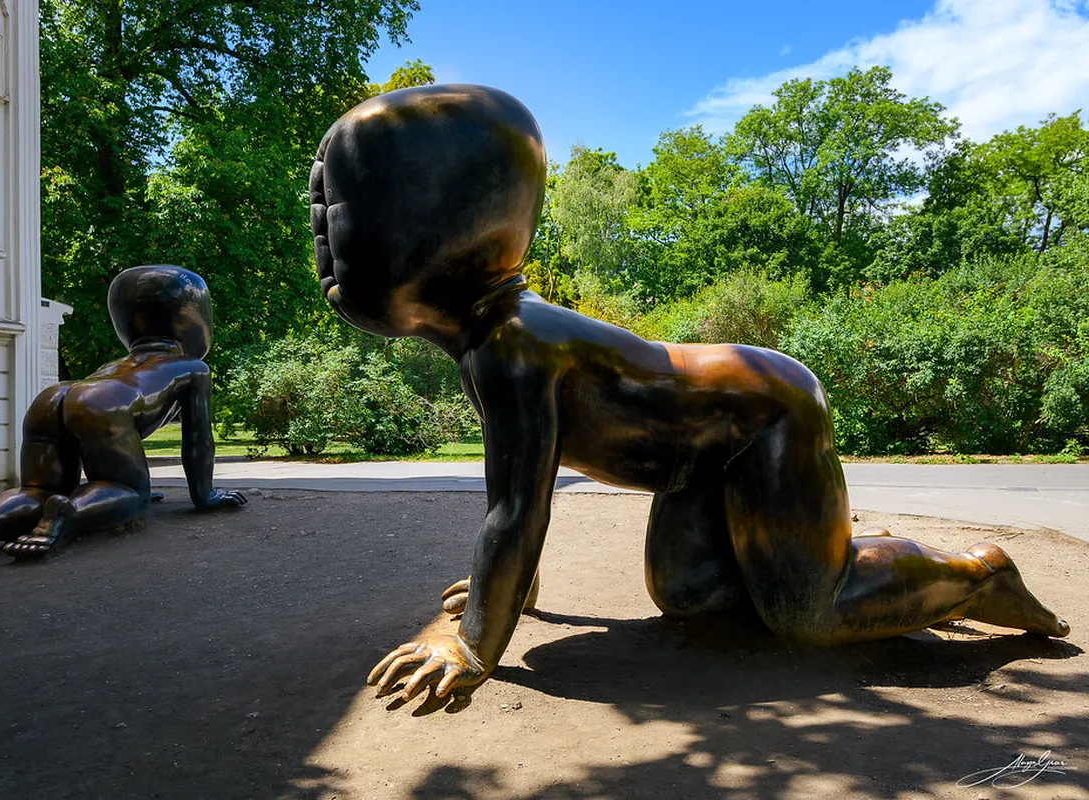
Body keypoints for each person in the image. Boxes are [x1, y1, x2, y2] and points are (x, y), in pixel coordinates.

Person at [308, 84, 1069, 703]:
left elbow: (516, 511)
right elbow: (521, 490)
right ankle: (834, 552)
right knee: (690, 595)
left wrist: (474, 643)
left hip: (766, 413)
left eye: (336, 218)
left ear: (438, 233)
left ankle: (975, 572)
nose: (325, 244)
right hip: (700, 454)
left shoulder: (514, 346)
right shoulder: (495, 342)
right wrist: (516, 585)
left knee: (809, 614)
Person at [0, 265, 245, 567]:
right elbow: (198, 440)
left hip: (53, 398)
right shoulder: (192, 368)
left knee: (39, 490)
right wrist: (205, 496)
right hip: (104, 403)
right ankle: (70, 511)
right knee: (131, 493)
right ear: (192, 320)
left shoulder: (113, 365)